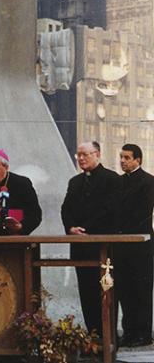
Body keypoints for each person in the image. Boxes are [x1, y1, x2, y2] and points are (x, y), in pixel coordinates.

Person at [61, 140, 121, 335]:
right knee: (86, 294)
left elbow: (111, 210)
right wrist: (71, 228)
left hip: (104, 248)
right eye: (78, 154)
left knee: (106, 293)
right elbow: (66, 209)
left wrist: (87, 230)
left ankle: (108, 339)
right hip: (80, 247)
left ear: (97, 154)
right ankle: (93, 338)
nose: (81, 158)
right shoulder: (75, 181)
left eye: (85, 154)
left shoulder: (112, 179)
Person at [116, 143, 154, 347]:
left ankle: (144, 333)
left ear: (138, 160)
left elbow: (143, 213)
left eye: (127, 157)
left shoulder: (149, 181)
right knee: (124, 289)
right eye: (121, 157)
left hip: (141, 245)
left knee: (141, 289)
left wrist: (122, 229)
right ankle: (129, 331)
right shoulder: (118, 182)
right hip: (121, 245)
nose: (122, 161)